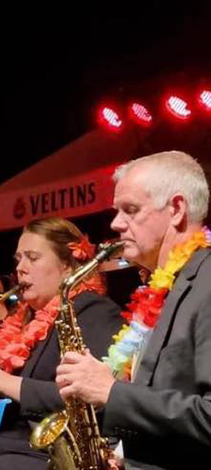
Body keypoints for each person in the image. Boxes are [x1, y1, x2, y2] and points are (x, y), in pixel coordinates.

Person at [55, 151, 211, 470]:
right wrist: (121, 454)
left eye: (131, 210)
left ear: (176, 209)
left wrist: (111, 391)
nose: (115, 223)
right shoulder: (161, 289)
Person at [0, 217, 123, 470]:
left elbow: (90, 400)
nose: (20, 268)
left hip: (42, 455)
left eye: (32, 258)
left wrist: (6, 383)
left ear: (66, 266)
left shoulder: (95, 312)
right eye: (18, 259)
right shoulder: (21, 319)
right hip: (1, 448)